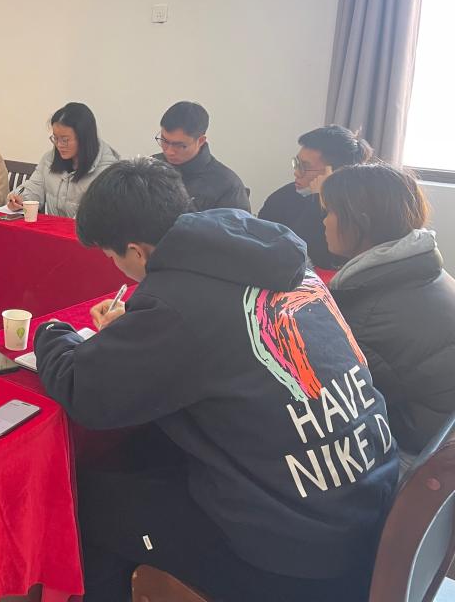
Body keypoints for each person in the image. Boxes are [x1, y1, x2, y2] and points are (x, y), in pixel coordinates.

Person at [34, 157, 397, 602]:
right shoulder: (275, 256)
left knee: (85, 501)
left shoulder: (177, 302)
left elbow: (85, 389)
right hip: (368, 512)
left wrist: (53, 332)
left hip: (293, 554)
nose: (116, 267)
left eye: (112, 257)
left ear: (137, 251)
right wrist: (140, 330)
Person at [323, 163, 455, 458]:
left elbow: (341, 403)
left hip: (418, 449)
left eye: (330, 211)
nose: (324, 221)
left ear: (361, 222)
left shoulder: (363, 310)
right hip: (442, 427)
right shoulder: (423, 268)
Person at [258, 125, 373, 269]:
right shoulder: (283, 196)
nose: (297, 173)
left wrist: (321, 198)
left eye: (305, 166)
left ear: (334, 173)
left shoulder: (354, 210)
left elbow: (322, 259)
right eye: (297, 163)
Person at [6, 102, 119, 218]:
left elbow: (100, 217)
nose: (59, 145)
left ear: (84, 138)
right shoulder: (49, 159)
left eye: (65, 140)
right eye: (55, 138)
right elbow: (34, 187)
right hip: (54, 228)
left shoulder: (107, 172)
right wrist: (20, 199)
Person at [153, 101, 250, 211]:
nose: (169, 151)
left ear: (201, 141)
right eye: (164, 141)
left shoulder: (227, 186)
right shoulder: (149, 168)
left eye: (180, 146)